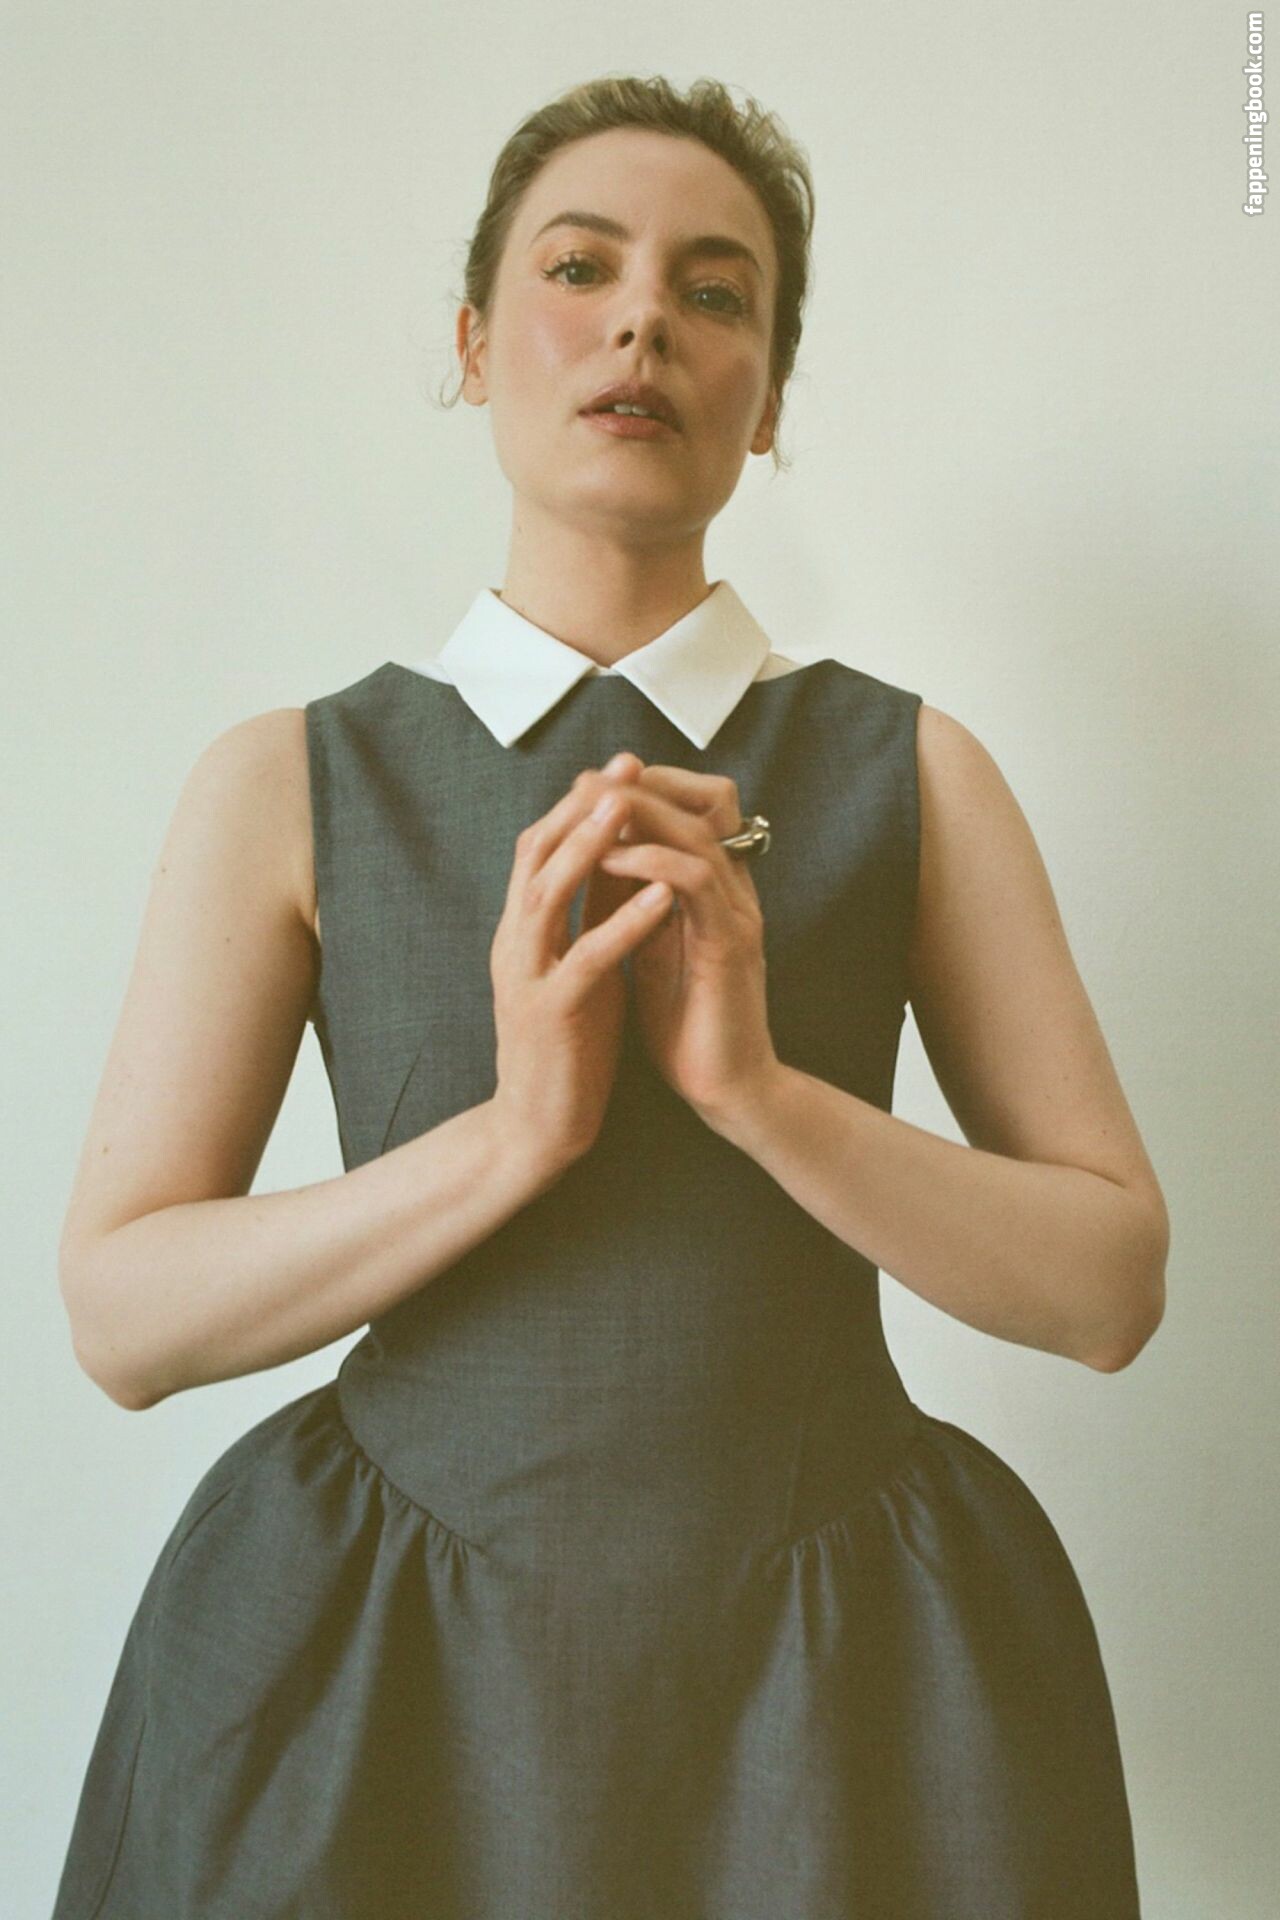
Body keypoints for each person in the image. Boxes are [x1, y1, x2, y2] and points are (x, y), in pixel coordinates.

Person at [52, 72, 1168, 1920]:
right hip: (371, 1679)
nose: (645, 318)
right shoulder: (292, 781)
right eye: (581, 269)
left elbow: (1112, 1285)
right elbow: (122, 1319)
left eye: (716, 292)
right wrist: (519, 1136)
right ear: (475, 344)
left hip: (841, 1690)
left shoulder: (914, 774)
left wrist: (759, 1095)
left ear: (769, 396)